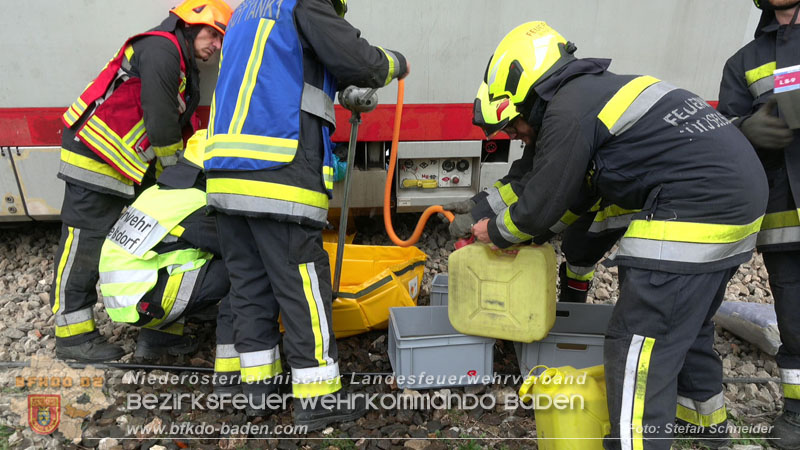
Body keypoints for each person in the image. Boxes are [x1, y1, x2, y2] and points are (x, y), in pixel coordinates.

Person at [470, 22, 768, 450]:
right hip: (736, 200)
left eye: (513, 123)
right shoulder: (590, 96)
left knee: (636, 350)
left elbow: (542, 202)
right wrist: (482, 214)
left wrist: (497, 233)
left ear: (531, 96)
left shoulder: (568, 113)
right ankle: (705, 429)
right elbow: (559, 191)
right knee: (685, 326)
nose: (512, 134)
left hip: (697, 208)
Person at [202, 0, 409, 430]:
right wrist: (397, 64)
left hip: (225, 175)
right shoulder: (303, 2)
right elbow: (363, 62)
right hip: (277, 171)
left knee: (249, 285)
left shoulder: (247, 11)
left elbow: (285, 74)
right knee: (304, 285)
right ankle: (318, 398)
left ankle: (259, 391)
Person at [51, 0, 233, 362]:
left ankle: (161, 334)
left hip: (117, 161)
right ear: (191, 22)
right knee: (83, 243)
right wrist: (173, 174)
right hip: (95, 154)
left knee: (134, 241)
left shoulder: (176, 57)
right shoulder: (162, 48)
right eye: (213, 33)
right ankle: (72, 337)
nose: (216, 44)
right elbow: (161, 119)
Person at [718, 1, 800, 447]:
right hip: (786, 216)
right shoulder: (745, 60)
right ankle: (798, 415)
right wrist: (744, 129)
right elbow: (722, 132)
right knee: (795, 318)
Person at [98, 131, 231, 362]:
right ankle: (231, 349)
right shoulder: (195, 203)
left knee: (183, 258)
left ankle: (158, 340)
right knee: (241, 267)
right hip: (144, 299)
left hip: (124, 296)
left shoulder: (158, 193)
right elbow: (233, 246)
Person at [445, 143, 628, 303]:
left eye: (512, 128)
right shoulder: (539, 129)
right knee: (571, 249)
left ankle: (572, 313)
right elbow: (519, 178)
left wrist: (498, 230)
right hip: (589, 188)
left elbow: (546, 204)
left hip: (614, 198)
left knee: (579, 251)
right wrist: (477, 204)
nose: (512, 135)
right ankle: (568, 312)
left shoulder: (562, 133)